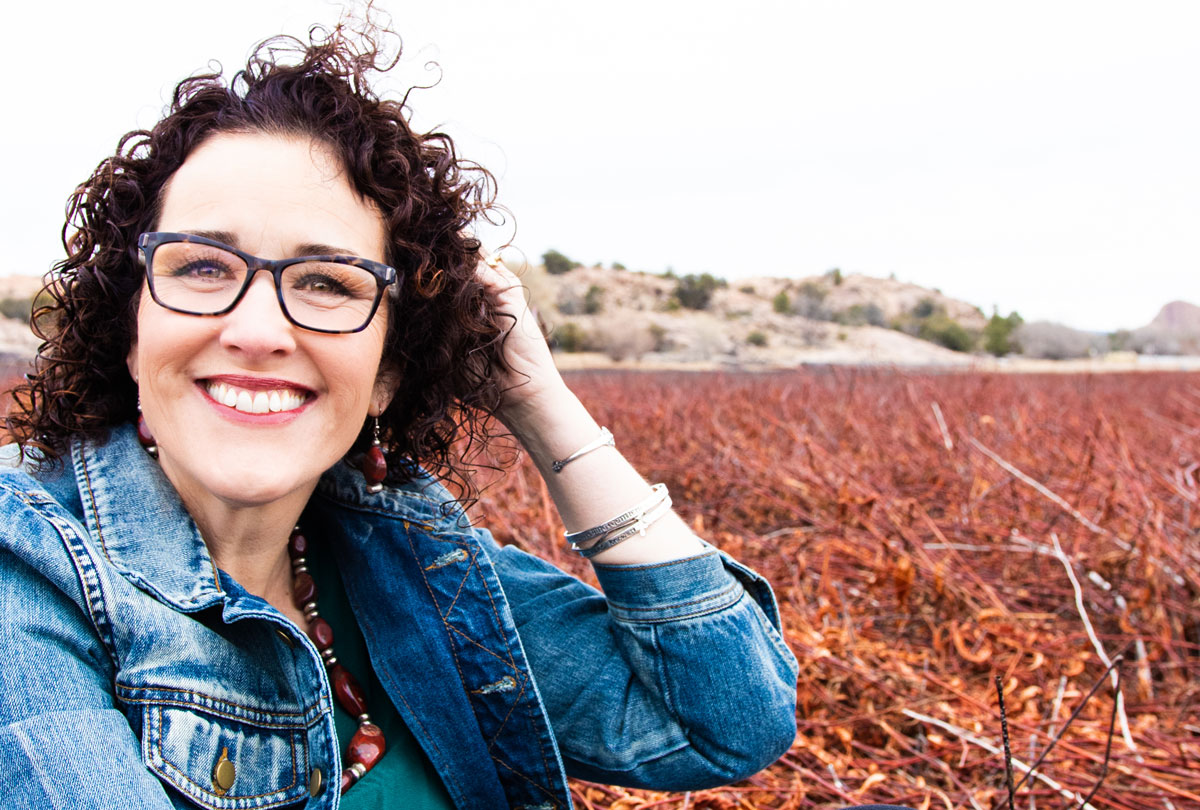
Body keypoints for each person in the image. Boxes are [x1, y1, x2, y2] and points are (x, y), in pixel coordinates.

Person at [0, 18, 799, 810]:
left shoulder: (398, 557)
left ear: (387, 373)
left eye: (326, 281)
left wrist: (541, 405)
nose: (256, 331)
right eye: (203, 266)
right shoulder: (26, 570)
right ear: (131, 332)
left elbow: (723, 722)